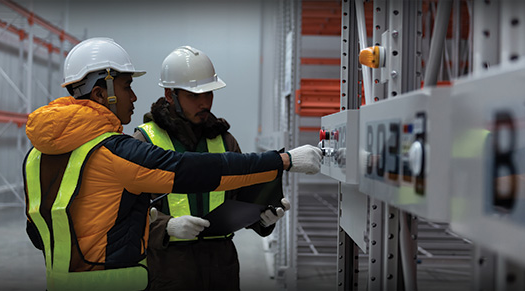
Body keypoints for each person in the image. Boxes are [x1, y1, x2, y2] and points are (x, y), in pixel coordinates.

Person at [22, 37, 322, 291]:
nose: (134, 96)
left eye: (209, 94)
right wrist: (283, 160)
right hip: (148, 273)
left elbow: (37, 233)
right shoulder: (118, 151)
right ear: (102, 93)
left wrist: (259, 218)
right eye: (127, 87)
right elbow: (186, 170)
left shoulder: (35, 157)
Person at [132, 46, 290, 290]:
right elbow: (125, 213)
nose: (205, 102)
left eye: (209, 93)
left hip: (221, 268)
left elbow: (242, 199)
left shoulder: (224, 141)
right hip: (169, 269)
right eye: (194, 95)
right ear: (169, 95)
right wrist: (167, 227)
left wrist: (264, 218)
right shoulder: (145, 143)